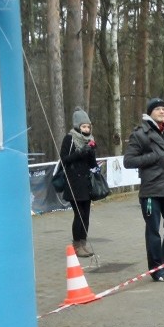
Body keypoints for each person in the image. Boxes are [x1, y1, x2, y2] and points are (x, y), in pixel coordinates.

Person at [124, 97, 164, 282]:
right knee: (153, 231)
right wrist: (153, 156)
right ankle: (156, 269)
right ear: (150, 112)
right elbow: (129, 161)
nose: (162, 111)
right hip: (151, 190)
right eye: (158, 109)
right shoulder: (140, 133)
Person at [59, 107, 98, 258]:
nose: (86, 129)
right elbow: (64, 159)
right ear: (77, 126)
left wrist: (91, 154)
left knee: (86, 214)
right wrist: (80, 152)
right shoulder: (70, 139)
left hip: (86, 183)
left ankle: (83, 242)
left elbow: (92, 162)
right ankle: (76, 244)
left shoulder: (91, 140)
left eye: (88, 126)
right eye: (83, 126)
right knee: (79, 214)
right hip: (73, 183)